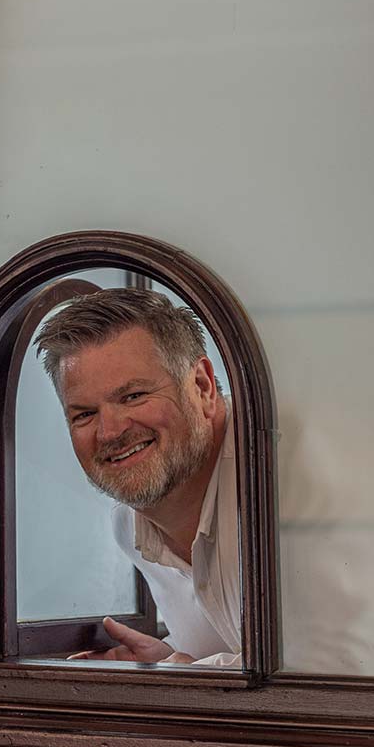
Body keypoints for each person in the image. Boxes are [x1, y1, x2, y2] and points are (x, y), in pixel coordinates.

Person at [32, 286, 240, 667]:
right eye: (84, 415)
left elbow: (326, 676)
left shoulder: (286, 486)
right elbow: (237, 653)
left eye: (133, 396)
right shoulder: (130, 525)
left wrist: (178, 677)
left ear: (202, 387)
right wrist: (167, 659)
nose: (109, 432)